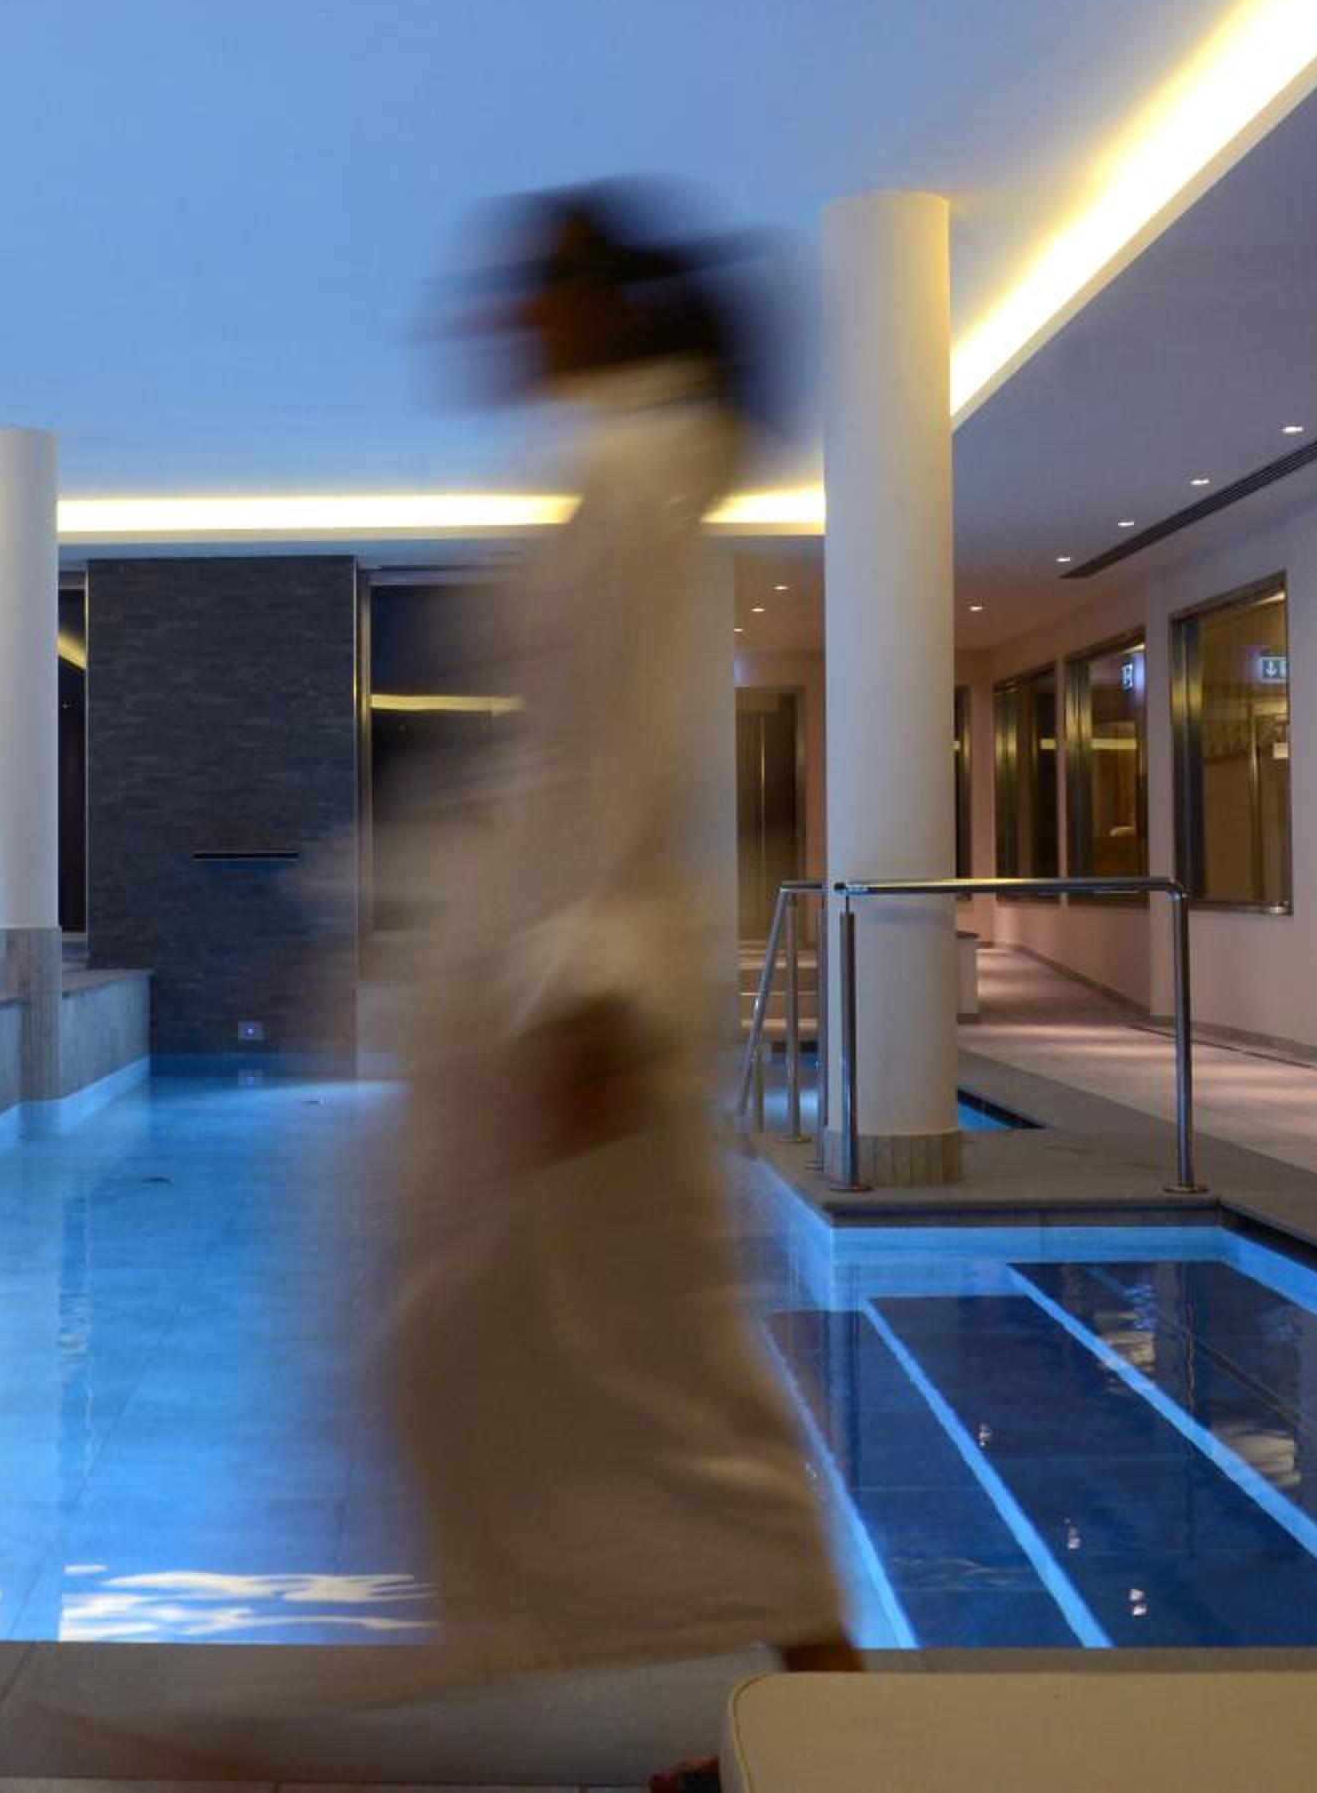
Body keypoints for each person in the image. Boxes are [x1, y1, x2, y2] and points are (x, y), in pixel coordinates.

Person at [382, 186, 860, 1774]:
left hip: (590, 1003)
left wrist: (589, 996)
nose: (494, 322)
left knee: (628, 1358)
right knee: (635, 1353)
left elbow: (636, 752)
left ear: (585, 305)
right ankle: (818, 1709)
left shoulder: (637, 475)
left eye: (518, 292)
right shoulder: (633, 465)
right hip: (565, 985)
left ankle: (823, 1713)